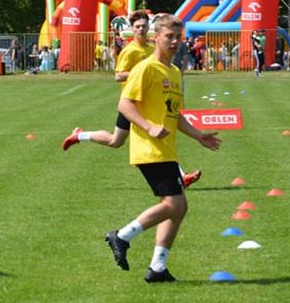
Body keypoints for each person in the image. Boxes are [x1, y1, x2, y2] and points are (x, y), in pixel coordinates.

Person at [104, 14, 221, 283]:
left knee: (179, 207)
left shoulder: (175, 72)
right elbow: (125, 105)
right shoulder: (145, 68)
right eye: (169, 36)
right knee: (173, 203)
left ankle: (158, 267)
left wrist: (198, 136)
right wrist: (149, 127)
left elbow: (175, 114)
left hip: (166, 148)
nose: (175, 42)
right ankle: (122, 236)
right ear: (155, 37)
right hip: (149, 148)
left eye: (178, 37)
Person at [62, 10, 202, 188]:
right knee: (116, 141)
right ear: (132, 29)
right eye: (137, 27)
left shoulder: (152, 49)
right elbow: (118, 75)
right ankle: (80, 135)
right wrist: (141, 75)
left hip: (150, 102)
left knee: (152, 136)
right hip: (133, 104)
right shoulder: (129, 51)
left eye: (144, 26)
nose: (141, 29)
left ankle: (180, 177)